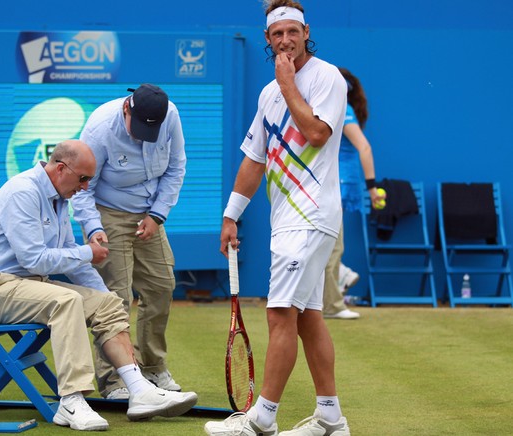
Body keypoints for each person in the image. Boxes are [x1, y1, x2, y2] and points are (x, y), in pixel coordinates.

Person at [0, 140, 197, 432]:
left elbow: (70, 262)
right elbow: (35, 259)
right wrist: (88, 251)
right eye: (83, 178)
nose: (86, 187)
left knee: (108, 303)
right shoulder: (23, 192)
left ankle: (140, 391)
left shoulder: (59, 197)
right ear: (61, 168)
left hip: (29, 286)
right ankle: (71, 401)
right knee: (66, 302)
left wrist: (103, 298)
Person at [204, 1, 351, 435]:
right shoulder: (267, 94)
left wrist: (288, 84)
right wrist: (232, 216)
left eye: (292, 31)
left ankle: (261, 419)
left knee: (279, 312)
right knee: (307, 316)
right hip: (287, 220)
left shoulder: (327, 78)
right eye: (276, 34)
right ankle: (330, 418)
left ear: (306, 31)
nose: (285, 40)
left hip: (311, 216)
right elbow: (254, 158)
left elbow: (316, 133)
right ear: (266, 39)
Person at [72, 84, 186, 399]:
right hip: (106, 213)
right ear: (127, 109)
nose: (142, 136)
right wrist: (94, 228)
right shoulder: (99, 129)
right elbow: (83, 186)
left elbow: (176, 168)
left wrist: (157, 215)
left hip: (149, 215)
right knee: (116, 299)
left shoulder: (170, 115)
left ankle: (152, 368)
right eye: (137, 128)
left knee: (162, 286)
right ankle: (114, 380)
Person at [322, 67, 385, 320]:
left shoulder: (339, 111)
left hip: (336, 184)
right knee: (331, 247)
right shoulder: (341, 110)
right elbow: (365, 148)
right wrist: (372, 188)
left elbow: (364, 148)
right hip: (334, 185)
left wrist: (370, 187)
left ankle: (331, 299)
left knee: (332, 245)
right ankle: (332, 303)